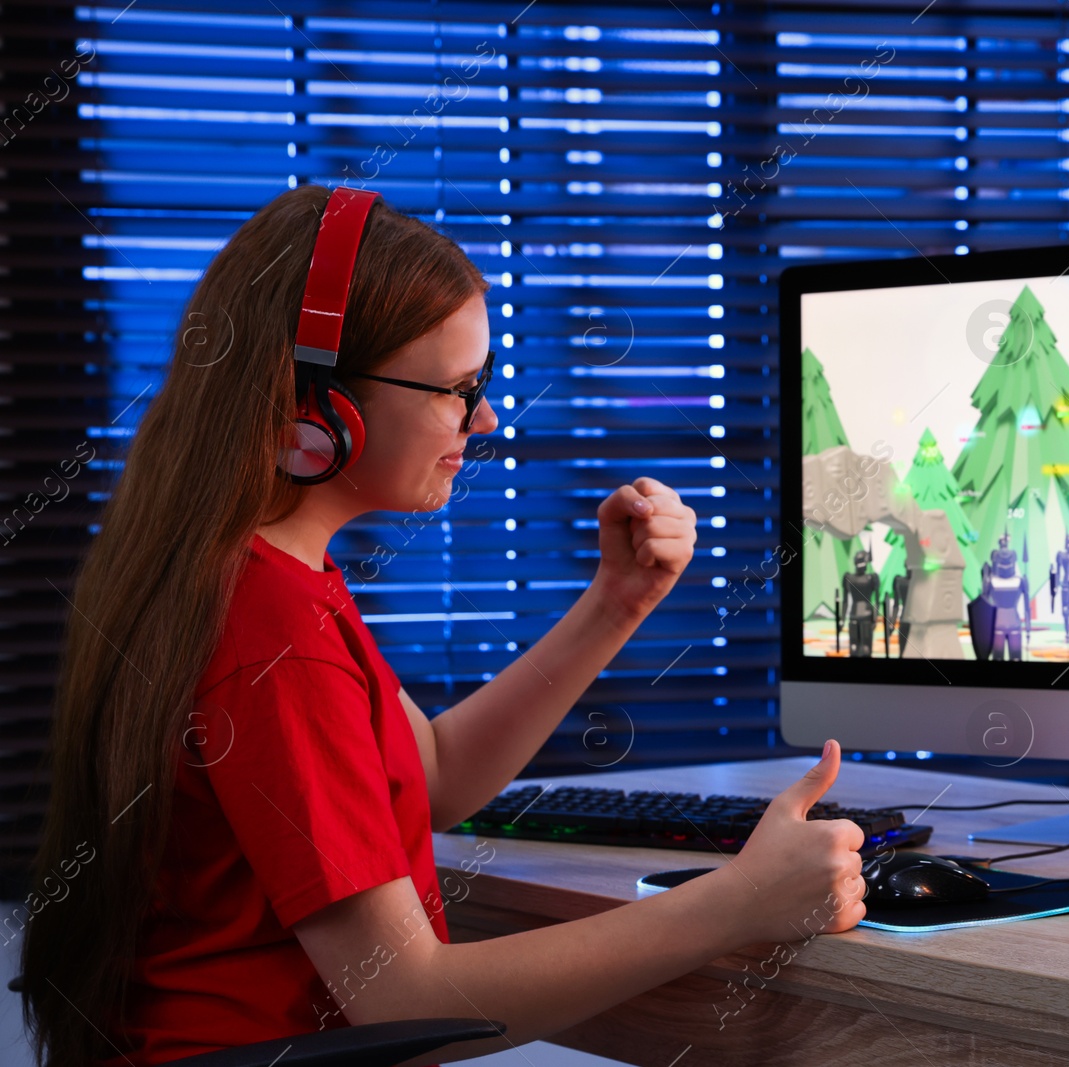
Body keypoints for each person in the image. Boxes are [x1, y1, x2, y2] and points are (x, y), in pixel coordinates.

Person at [19, 184, 867, 1067]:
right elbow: (403, 996)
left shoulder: (272, 575)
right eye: (458, 390)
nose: (487, 420)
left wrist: (617, 602)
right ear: (322, 408)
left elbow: (425, 780)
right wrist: (738, 901)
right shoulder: (272, 631)